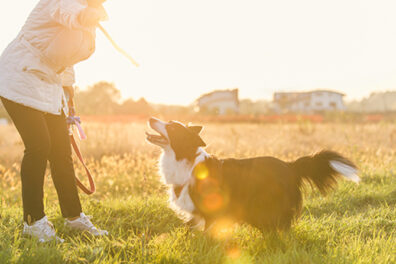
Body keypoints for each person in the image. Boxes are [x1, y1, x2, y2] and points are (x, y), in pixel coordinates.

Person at [0, 0, 109, 243]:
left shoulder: (91, 19)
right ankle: (33, 223)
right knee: (39, 146)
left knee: (61, 152)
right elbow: (69, 13)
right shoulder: (62, 3)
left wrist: (69, 89)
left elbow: (67, 56)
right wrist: (87, 15)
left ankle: (73, 217)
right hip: (19, 76)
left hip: (50, 85)